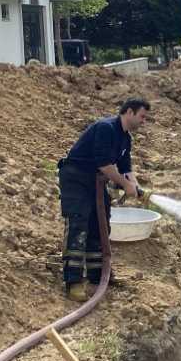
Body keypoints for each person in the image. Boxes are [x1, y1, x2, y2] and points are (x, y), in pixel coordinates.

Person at [58, 98, 150, 301]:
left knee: (100, 225)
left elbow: (125, 168)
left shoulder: (126, 139)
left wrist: (134, 186)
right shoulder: (106, 128)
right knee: (78, 224)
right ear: (129, 112)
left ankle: (98, 275)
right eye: (142, 116)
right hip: (76, 178)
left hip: (95, 183)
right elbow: (105, 165)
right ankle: (73, 282)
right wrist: (125, 185)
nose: (144, 121)